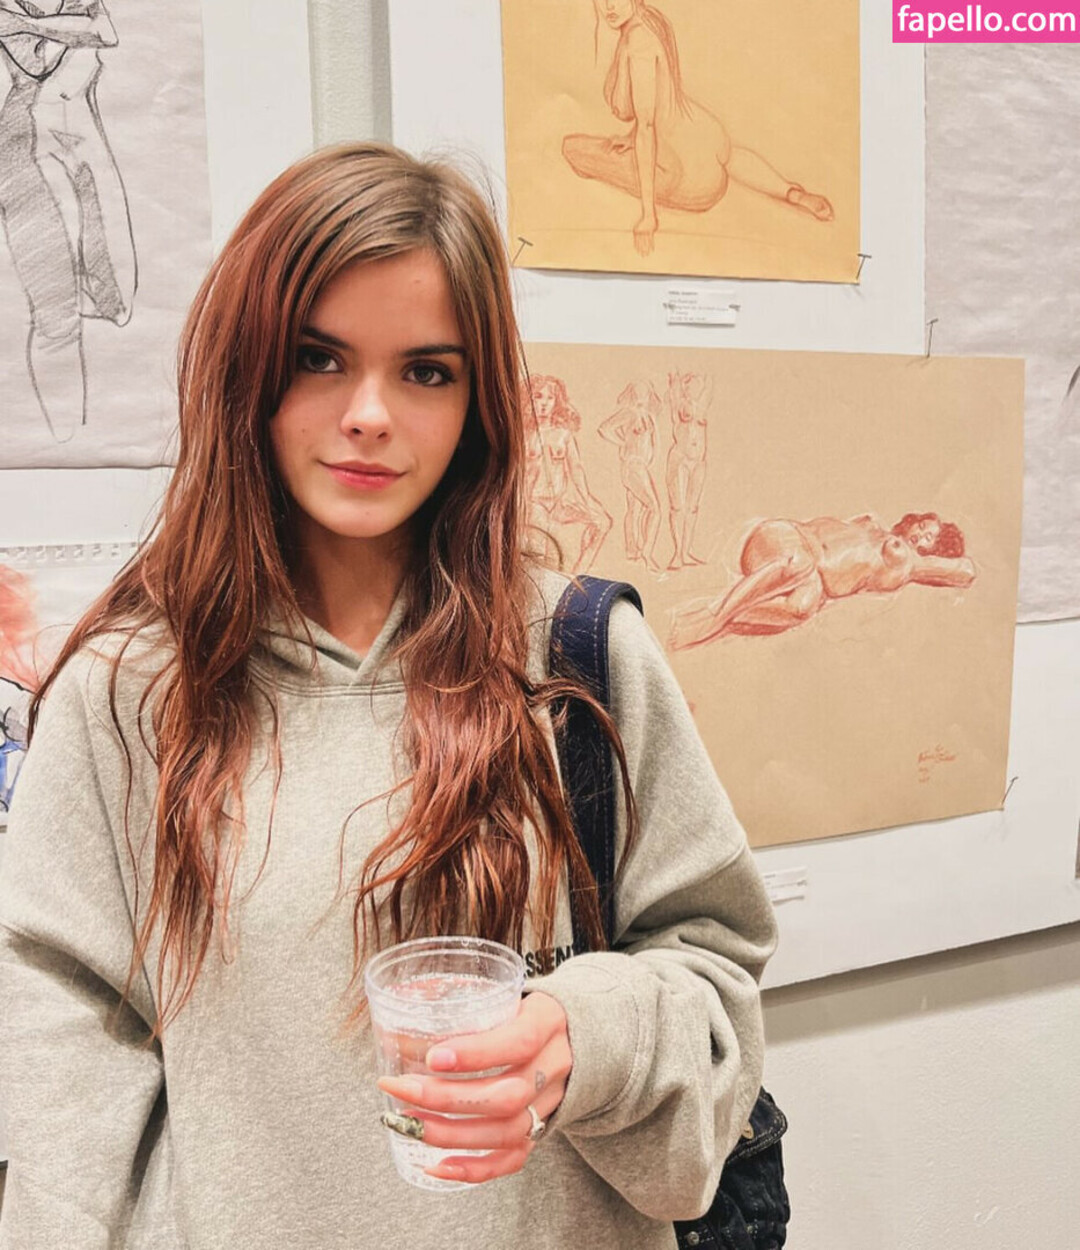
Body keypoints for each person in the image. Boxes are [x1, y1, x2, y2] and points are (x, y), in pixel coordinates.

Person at [0, 144, 777, 1249]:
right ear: (246, 370)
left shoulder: (576, 655)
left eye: (427, 371)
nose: (369, 413)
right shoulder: (128, 693)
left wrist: (583, 1036)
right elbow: (60, 1053)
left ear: (479, 400)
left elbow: (712, 968)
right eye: (318, 358)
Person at [563, 0, 834, 256]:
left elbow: (645, 124)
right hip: (707, 140)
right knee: (730, 157)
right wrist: (630, 137)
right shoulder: (652, 20)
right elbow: (653, 104)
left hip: (688, 179)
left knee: (572, 149)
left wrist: (648, 216)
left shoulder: (637, 44)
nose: (609, 5)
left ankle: (789, 193)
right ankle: (792, 193)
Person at [0, 0, 135, 442]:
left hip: (85, 146)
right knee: (55, 315)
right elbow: (36, 61)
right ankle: (64, 442)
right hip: (25, 151)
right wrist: (64, 27)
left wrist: (28, 23)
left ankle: (77, 437)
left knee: (117, 293)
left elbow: (104, 32)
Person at [669, 510, 977, 649]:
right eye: (922, 526)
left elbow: (966, 571)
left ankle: (727, 617)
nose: (920, 535)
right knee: (801, 564)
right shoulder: (872, 523)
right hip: (782, 539)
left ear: (934, 551)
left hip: (808, 577)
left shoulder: (910, 563)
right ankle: (714, 615)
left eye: (929, 538)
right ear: (912, 521)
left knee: (803, 607)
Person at [524, 373, 613, 573]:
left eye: (550, 398)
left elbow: (576, 469)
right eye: (538, 397)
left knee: (602, 522)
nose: (544, 403)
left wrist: (587, 500)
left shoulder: (563, 435)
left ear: (556, 402)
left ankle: (575, 577)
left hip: (558, 503)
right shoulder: (524, 436)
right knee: (542, 555)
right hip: (534, 504)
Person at [598, 379, 663, 570]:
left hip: (641, 465)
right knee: (654, 509)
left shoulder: (648, 416)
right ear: (632, 394)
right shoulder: (630, 413)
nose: (642, 396)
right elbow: (604, 428)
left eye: (645, 392)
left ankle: (632, 550)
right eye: (638, 392)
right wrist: (623, 443)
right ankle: (647, 553)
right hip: (633, 465)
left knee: (634, 508)